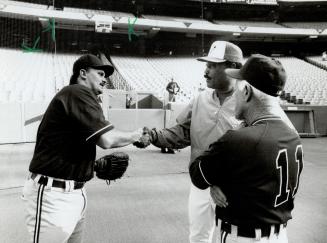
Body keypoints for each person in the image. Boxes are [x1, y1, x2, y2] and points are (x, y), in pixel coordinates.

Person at [21, 54, 143, 243]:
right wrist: (136, 135)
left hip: (74, 193)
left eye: (106, 75)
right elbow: (107, 140)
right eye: (100, 73)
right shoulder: (77, 92)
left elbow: (65, 145)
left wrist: (90, 166)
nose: (105, 79)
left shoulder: (78, 97)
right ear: (83, 73)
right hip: (52, 196)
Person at [135, 41, 244, 243]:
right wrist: (153, 136)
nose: (206, 70)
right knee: (198, 238)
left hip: (235, 187)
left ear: (232, 68)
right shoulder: (200, 98)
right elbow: (182, 132)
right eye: (206, 65)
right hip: (201, 182)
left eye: (212, 65)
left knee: (236, 239)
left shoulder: (248, 100)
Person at [189, 54, 304, 243]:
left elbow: (198, 175)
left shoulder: (237, 139)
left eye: (237, 89)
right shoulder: (293, 136)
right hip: (279, 236)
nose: (234, 95)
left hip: (242, 236)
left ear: (247, 92)